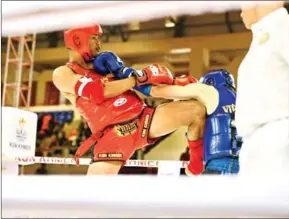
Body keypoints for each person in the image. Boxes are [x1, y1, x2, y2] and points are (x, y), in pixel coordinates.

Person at [53, 25, 219, 175]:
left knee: (197, 110)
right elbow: (98, 92)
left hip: (143, 119)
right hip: (113, 135)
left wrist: (173, 83)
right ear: (77, 40)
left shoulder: (105, 65)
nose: (99, 44)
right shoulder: (63, 73)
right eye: (94, 38)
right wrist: (137, 78)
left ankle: (196, 165)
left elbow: (148, 88)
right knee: (93, 198)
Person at [236, 1, 289, 177]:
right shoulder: (262, 37)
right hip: (256, 143)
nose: (240, 10)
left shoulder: (282, 28)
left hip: (277, 141)